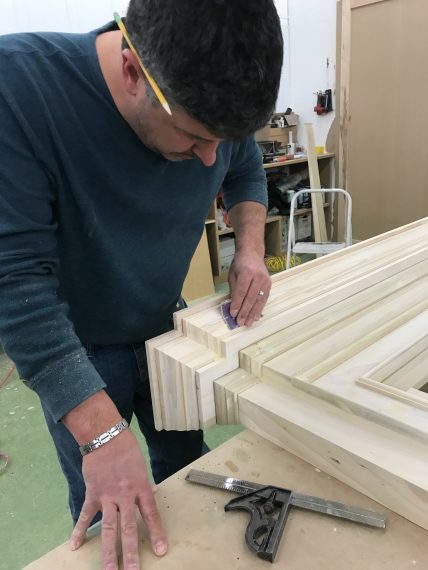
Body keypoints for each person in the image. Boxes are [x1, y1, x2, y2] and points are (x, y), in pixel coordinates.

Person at [0, 0, 283, 568]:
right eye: (194, 136)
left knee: (191, 472)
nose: (209, 161)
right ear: (133, 71)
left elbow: (244, 169)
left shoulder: (211, 112)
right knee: (108, 505)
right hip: (75, 350)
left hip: (166, 326)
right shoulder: (19, 89)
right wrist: (102, 435)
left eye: (221, 140)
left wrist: (250, 249)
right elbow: (14, 280)